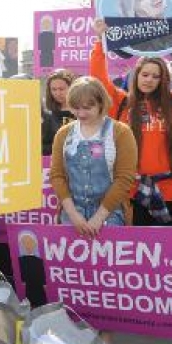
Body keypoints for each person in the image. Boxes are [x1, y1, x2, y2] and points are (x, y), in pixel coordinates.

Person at [91, 18, 172, 226]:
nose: (149, 79)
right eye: (145, 74)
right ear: (136, 76)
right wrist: (99, 42)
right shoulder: (120, 103)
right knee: (138, 254)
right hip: (131, 193)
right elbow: (98, 79)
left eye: (155, 76)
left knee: (166, 253)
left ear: (162, 80)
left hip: (169, 191)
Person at [50, 76, 138, 236]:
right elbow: (57, 175)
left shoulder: (120, 132)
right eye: (76, 108)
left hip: (110, 213)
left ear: (101, 104)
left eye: (87, 108)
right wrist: (73, 214)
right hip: (71, 213)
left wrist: (99, 217)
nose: (81, 113)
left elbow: (124, 178)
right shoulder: (64, 134)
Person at [41, 68, 76, 155]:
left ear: (72, 87)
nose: (57, 93)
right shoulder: (46, 112)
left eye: (61, 89)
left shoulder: (82, 110)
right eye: (54, 89)